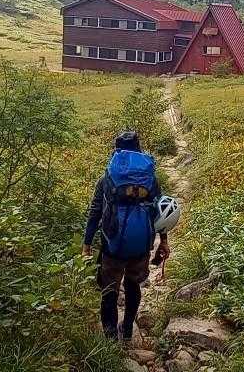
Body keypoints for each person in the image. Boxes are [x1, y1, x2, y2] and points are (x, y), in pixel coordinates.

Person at [82, 131, 171, 342]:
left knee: (109, 289)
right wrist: (163, 241)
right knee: (133, 285)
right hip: (141, 243)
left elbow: (95, 212)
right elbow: (159, 211)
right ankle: (128, 328)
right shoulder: (150, 178)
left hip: (112, 243)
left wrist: (87, 244)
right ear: (139, 149)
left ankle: (111, 336)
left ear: (117, 150)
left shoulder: (108, 177)